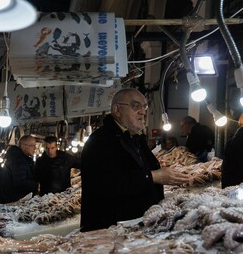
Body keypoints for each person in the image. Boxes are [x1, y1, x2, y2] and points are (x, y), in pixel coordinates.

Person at [81, 88, 190, 232]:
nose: (143, 112)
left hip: (135, 227)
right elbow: (108, 182)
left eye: (145, 107)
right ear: (117, 110)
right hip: (109, 230)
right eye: (136, 106)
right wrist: (154, 176)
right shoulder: (100, 141)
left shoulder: (135, 139)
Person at [0, 135, 38, 204]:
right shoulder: (18, 160)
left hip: (8, 197)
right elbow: (21, 183)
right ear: (23, 146)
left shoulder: (18, 157)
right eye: (32, 145)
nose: (35, 148)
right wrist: (36, 184)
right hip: (8, 199)